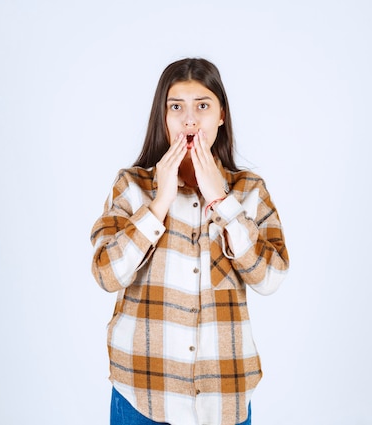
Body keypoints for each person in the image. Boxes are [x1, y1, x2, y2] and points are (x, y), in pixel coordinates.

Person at [90, 57, 289, 425]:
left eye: (202, 105)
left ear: (221, 116)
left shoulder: (249, 192)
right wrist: (159, 203)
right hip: (142, 393)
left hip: (224, 399)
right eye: (176, 107)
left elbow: (271, 278)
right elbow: (106, 274)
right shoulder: (132, 187)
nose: (190, 120)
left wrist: (223, 203)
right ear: (162, 118)